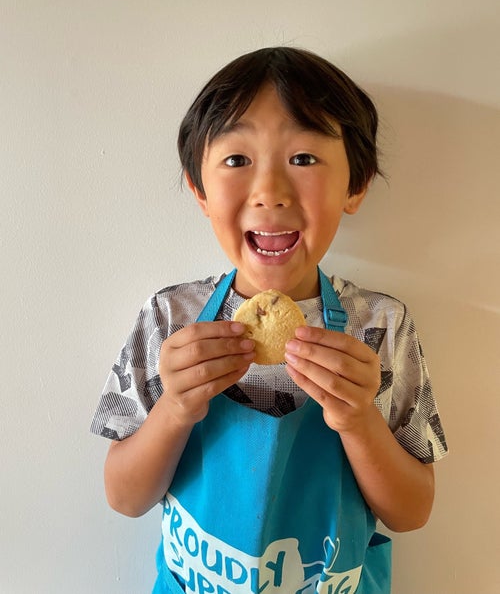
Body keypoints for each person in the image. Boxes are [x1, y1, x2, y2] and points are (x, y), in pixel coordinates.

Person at [91, 47, 448, 594]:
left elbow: (411, 512)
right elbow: (124, 497)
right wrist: (175, 409)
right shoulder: (170, 319)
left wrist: (359, 420)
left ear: (355, 185)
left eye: (303, 158)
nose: (270, 193)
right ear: (200, 190)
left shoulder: (380, 327)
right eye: (237, 160)